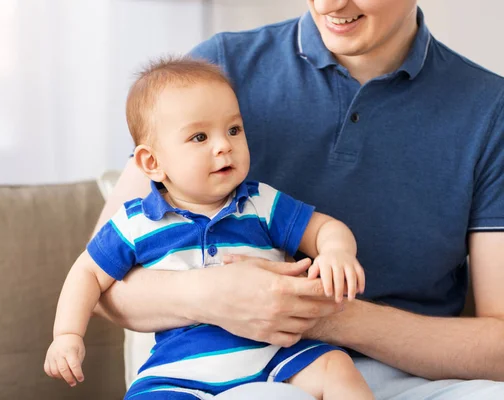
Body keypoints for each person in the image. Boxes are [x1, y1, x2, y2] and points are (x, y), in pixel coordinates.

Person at [91, 1, 504, 399]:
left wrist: (326, 315)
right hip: (247, 374)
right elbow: (104, 283)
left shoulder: (489, 109)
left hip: (419, 379)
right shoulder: (220, 69)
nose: (329, 4)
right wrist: (211, 294)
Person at [44, 57, 374, 400]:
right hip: (178, 372)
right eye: (199, 136)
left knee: (336, 366)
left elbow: (324, 229)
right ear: (152, 163)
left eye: (233, 130)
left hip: (274, 357)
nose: (224, 145)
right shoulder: (135, 223)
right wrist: (67, 334)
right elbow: (86, 273)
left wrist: (337, 251)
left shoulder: (260, 203)